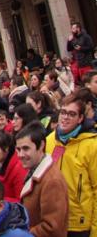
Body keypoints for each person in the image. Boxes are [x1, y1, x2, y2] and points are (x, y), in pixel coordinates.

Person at [43, 89, 97, 237]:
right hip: (54, 220)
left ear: (80, 118)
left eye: (71, 114)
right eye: (63, 112)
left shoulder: (92, 145)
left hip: (79, 225)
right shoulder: (49, 141)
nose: (65, 117)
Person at [11, 123, 66, 237]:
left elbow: (52, 228)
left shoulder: (51, 181)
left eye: (26, 148)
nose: (20, 155)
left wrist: (21, 234)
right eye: (18, 149)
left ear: (41, 145)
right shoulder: (35, 170)